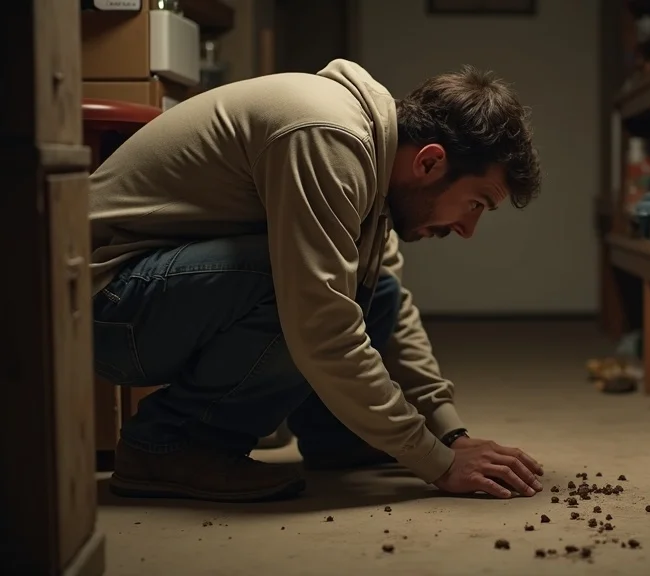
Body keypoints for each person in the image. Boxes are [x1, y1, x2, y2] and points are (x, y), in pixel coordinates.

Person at [89, 59, 544, 503]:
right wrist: (437, 463)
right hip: (102, 304)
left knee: (376, 289)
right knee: (305, 289)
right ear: (429, 163)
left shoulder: (375, 171)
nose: (468, 230)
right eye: (477, 204)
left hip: (149, 298)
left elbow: (394, 309)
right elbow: (321, 324)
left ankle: (338, 437)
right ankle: (169, 444)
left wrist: (450, 433)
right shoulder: (329, 138)